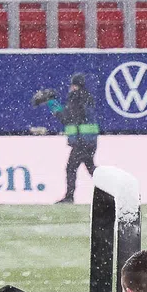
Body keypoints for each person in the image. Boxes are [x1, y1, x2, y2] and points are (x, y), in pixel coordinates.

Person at [34, 72, 100, 205]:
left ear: (74, 86)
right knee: (91, 169)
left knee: (71, 168)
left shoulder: (75, 97)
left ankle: (69, 197)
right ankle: (111, 191)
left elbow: (67, 118)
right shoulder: (87, 97)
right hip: (90, 140)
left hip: (81, 141)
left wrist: (52, 103)